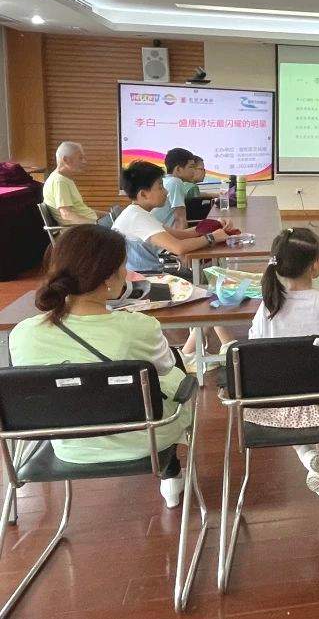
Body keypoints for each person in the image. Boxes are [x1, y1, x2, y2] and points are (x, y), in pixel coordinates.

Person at [8, 225, 192, 508]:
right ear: (108, 278)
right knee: (176, 378)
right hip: (143, 440)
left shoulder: (23, 333)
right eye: (123, 266)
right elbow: (165, 368)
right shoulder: (138, 327)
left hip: (70, 446)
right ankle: (171, 471)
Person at [244, 228, 319, 511]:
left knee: (292, 395)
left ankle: (309, 458)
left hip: (277, 406)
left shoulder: (268, 307)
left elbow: (254, 355)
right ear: (317, 265)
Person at [113, 160, 231, 274]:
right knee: (211, 277)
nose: (166, 192)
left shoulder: (137, 213)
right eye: (160, 187)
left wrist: (215, 224)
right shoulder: (137, 218)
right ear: (143, 194)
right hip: (147, 280)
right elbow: (178, 247)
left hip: (149, 275)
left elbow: (181, 234)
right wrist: (212, 237)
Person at [42, 141, 99, 226]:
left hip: (89, 226)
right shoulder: (59, 181)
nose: (84, 162)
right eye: (80, 158)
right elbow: (66, 214)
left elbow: (84, 211)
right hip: (81, 229)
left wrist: (110, 215)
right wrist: (96, 224)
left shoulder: (64, 179)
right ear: (66, 160)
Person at [152, 147, 195, 230]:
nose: (194, 171)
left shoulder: (165, 180)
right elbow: (180, 219)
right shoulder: (176, 182)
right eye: (191, 167)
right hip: (166, 234)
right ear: (178, 169)